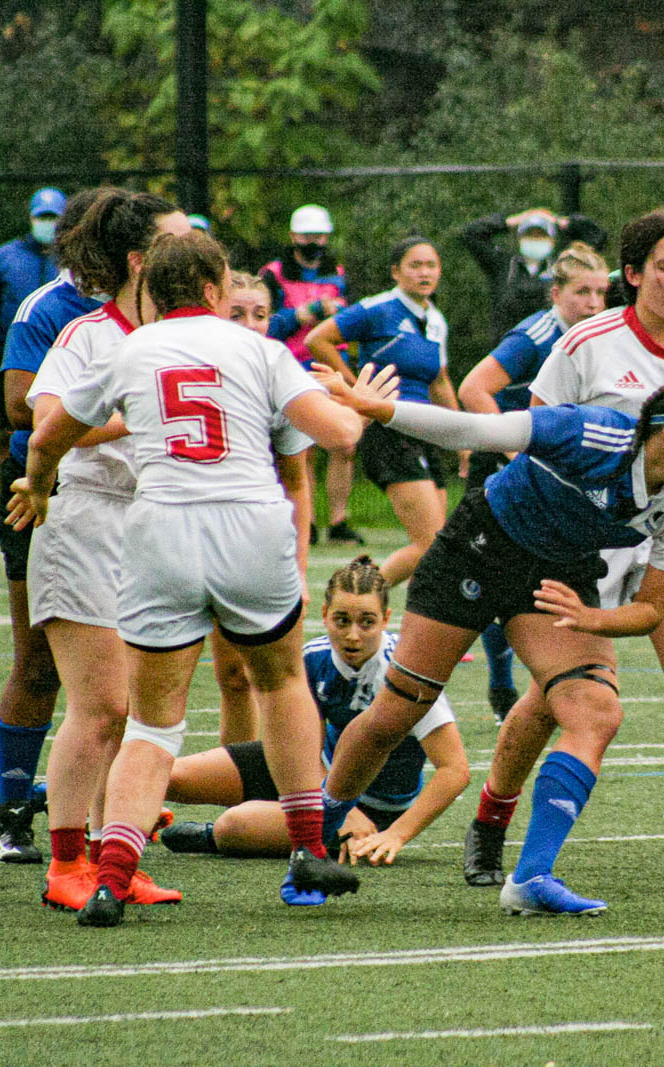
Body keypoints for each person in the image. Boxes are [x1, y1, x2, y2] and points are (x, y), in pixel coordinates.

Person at [16, 230, 368, 927]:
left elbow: (45, 432)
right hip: (249, 524)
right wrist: (352, 397)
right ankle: (307, 847)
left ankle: (112, 877)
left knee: (152, 722)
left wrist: (39, 485)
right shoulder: (261, 350)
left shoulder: (127, 350)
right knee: (280, 680)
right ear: (215, 289)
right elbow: (341, 435)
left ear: (154, 290)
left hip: (160, 532)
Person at [318, 367, 664, 914]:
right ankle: (312, 839)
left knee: (595, 711)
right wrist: (383, 412)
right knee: (395, 715)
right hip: (478, 548)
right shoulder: (592, 433)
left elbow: (654, 608)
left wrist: (592, 619)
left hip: (555, 578)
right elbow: (472, 431)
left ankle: (531, 876)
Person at [462, 208, 664, 894]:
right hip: (589, 539)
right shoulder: (589, 341)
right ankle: (492, 816)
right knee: (556, 699)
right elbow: (540, 437)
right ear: (633, 275)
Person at [19, 189, 191, 911]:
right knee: (99, 705)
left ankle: (111, 852)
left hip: (147, 528)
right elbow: (50, 420)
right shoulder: (90, 335)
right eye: (178, 241)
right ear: (139, 259)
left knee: (131, 712)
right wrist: (136, 419)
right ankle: (65, 862)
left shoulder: (180, 338)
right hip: (85, 519)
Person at [161, 556, 469, 863]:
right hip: (313, 773)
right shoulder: (314, 658)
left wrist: (395, 834)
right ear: (324, 615)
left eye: (367, 622)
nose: (352, 635)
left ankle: (213, 835)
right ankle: (121, 824)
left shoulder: (407, 672)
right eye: (342, 620)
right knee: (170, 776)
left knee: (234, 826)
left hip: (373, 806)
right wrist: (336, 804)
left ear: (386, 619)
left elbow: (455, 770)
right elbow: (306, 749)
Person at [0, 186, 111, 863]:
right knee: (38, 664)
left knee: (122, 671)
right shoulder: (47, 308)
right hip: (46, 491)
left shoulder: (141, 311)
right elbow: (18, 404)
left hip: (124, 502)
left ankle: (108, 821)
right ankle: (13, 812)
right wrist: (111, 420)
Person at [458, 242, 610, 723]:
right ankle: (501, 675)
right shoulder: (536, 335)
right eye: (582, 292)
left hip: (558, 480)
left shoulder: (601, 337)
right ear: (555, 292)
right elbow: (473, 388)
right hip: (507, 470)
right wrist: (520, 448)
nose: (592, 303)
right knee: (493, 577)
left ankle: (555, 673)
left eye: (601, 293)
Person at [305, 235, 460, 586]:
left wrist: (464, 439)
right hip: (389, 430)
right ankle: (359, 599)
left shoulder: (435, 320)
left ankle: (374, 600)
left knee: (439, 547)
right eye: (415, 265)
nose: (424, 272)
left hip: (425, 430)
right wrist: (355, 390)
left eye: (431, 265)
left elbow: (440, 382)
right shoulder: (378, 309)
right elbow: (318, 339)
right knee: (430, 543)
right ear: (396, 272)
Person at [209, 270, 315, 742]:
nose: (250, 325)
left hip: (256, 539)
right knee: (227, 677)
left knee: (264, 677)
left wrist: (300, 568)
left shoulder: (280, 379)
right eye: (237, 314)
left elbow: (297, 483)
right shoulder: (192, 369)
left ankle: (261, 795)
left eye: (260, 314)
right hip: (192, 531)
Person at [259, 204, 355, 544]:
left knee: (344, 444)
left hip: (330, 366)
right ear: (293, 237)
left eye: (319, 235)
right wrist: (305, 314)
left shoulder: (338, 274)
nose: (313, 242)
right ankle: (308, 521)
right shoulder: (272, 275)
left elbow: (351, 319)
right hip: (292, 366)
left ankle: (339, 520)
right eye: (306, 236)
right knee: (303, 447)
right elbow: (265, 326)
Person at [462, 206, 608, 338]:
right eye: (530, 235)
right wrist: (511, 221)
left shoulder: (562, 267)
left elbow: (597, 236)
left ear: (551, 240)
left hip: (550, 349)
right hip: (508, 352)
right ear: (520, 239)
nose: (536, 239)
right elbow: (472, 234)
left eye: (541, 235)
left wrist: (561, 221)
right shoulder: (503, 266)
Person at [0, 187, 66, 364]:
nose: (47, 223)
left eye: (52, 217)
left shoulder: (73, 257)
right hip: (13, 357)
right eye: (41, 217)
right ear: (31, 218)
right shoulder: (4, 256)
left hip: (61, 356)